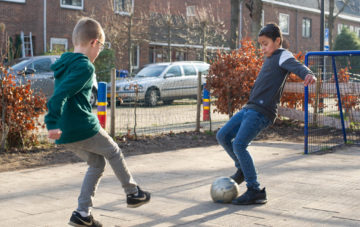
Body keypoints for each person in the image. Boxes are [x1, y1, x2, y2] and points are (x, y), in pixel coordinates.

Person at [45, 17, 150, 227]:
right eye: (100, 47)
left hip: (66, 133)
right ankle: (133, 193)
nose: (99, 52)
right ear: (94, 42)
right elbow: (59, 96)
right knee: (113, 151)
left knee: (97, 163)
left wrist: (56, 125)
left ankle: (82, 213)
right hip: (81, 126)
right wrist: (51, 122)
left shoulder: (64, 64)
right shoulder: (85, 67)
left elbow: (60, 93)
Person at [216, 23, 316, 205]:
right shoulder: (271, 56)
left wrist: (308, 74)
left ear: (277, 41)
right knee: (222, 135)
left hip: (262, 112)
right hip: (250, 107)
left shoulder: (282, 55)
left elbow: (298, 66)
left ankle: (255, 190)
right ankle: (242, 170)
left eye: (265, 43)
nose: (262, 48)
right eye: (260, 44)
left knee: (239, 144)